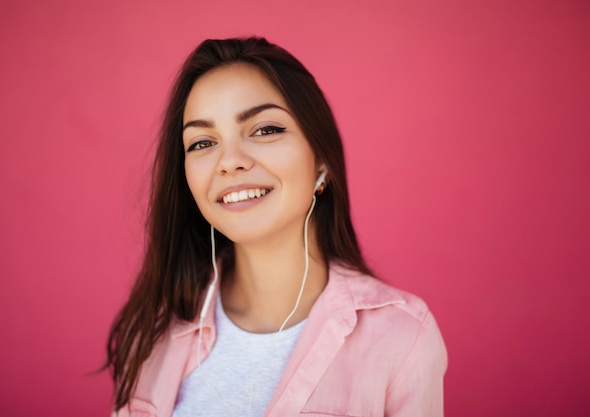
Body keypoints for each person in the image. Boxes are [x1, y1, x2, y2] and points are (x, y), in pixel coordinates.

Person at [106, 37, 447, 417]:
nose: (229, 161)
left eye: (265, 129)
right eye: (202, 142)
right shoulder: (151, 332)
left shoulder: (402, 336)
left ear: (321, 161)